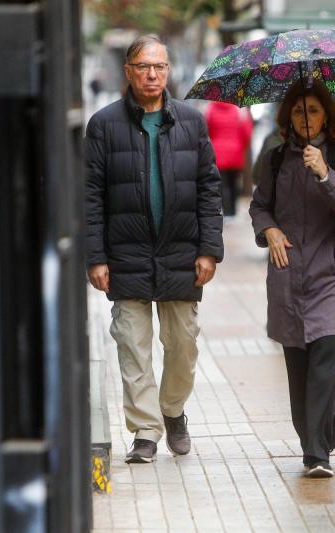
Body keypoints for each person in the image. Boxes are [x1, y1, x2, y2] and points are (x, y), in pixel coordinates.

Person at [85, 34, 223, 464]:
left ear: (168, 71)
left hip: (180, 251)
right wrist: (96, 255)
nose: (152, 74)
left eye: (159, 67)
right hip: (125, 251)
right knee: (132, 345)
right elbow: (90, 195)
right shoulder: (103, 124)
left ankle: (173, 410)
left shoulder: (191, 122)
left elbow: (208, 187)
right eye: (144, 66)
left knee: (182, 343)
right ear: (128, 71)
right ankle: (145, 431)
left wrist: (209, 249)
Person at [249, 81, 335, 478]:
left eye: (313, 110)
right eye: (299, 111)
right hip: (288, 276)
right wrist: (269, 231)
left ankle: (317, 454)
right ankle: (318, 434)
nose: (305, 118)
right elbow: (259, 206)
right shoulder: (275, 160)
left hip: (333, 275)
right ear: (288, 117)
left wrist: (324, 174)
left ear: (326, 116)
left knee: (326, 366)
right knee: (299, 373)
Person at [205, 101, 253, 216]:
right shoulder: (239, 110)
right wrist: (242, 146)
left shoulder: (210, 109)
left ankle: (223, 211)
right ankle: (232, 212)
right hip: (235, 152)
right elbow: (247, 133)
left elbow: (207, 130)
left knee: (220, 184)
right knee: (233, 183)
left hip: (217, 153)